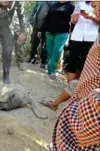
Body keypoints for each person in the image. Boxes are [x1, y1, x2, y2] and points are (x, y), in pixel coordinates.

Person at [52, 2, 100, 150]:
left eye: (97, 3)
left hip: (82, 133)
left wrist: (71, 119)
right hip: (83, 91)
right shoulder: (79, 3)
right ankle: (55, 104)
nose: (94, 5)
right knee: (74, 81)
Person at [0, 1, 27, 84]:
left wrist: (23, 32)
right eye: (2, 2)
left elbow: (21, 15)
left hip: (8, 28)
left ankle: (6, 74)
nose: (3, 4)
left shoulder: (17, 2)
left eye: (5, 2)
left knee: (7, 52)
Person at [39, 1, 74, 79]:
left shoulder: (71, 7)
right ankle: (50, 70)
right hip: (49, 32)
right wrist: (41, 30)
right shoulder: (53, 5)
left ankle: (52, 70)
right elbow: (47, 18)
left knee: (57, 51)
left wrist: (71, 34)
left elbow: (73, 22)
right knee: (49, 51)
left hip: (62, 33)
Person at [66, 1, 99, 83]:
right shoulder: (79, 2)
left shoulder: (98, 3)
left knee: (85, 64)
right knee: (72, 61)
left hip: (91, 37)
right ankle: (69, 87)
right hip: (77, 35)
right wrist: (74, 20)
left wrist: (91, 17)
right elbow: (73, 19)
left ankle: (78, 87)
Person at [28, 1, 53, 67]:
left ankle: (43, 62)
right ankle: (32, 58)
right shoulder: (39, 1)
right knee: (33, 42)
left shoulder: (53, 2)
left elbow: (53, 12)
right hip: (36, 26)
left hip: (45, 27)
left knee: (44, 45)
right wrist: (30, 18)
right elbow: (34, 10)